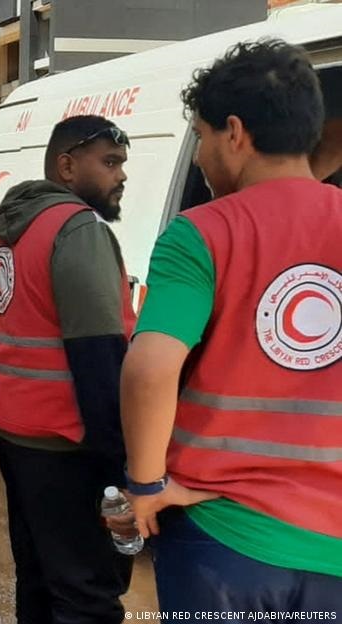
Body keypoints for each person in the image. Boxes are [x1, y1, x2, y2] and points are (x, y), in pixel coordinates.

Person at [120, 39, 342, 617]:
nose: (197, 157)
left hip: (224, 539)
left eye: (200, 135)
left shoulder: (202, 233)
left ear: (234, 133)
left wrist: (145, 486)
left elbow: (149, 370)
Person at [0, 114, 135, 624]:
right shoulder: (77, 229)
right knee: (87, 593)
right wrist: (121, 470)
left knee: (40, 578)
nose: (121, 175)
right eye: (109, 163)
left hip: (14, 430)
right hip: (68, 442)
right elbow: (99, 360)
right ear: (67, 166)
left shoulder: (6, 230)